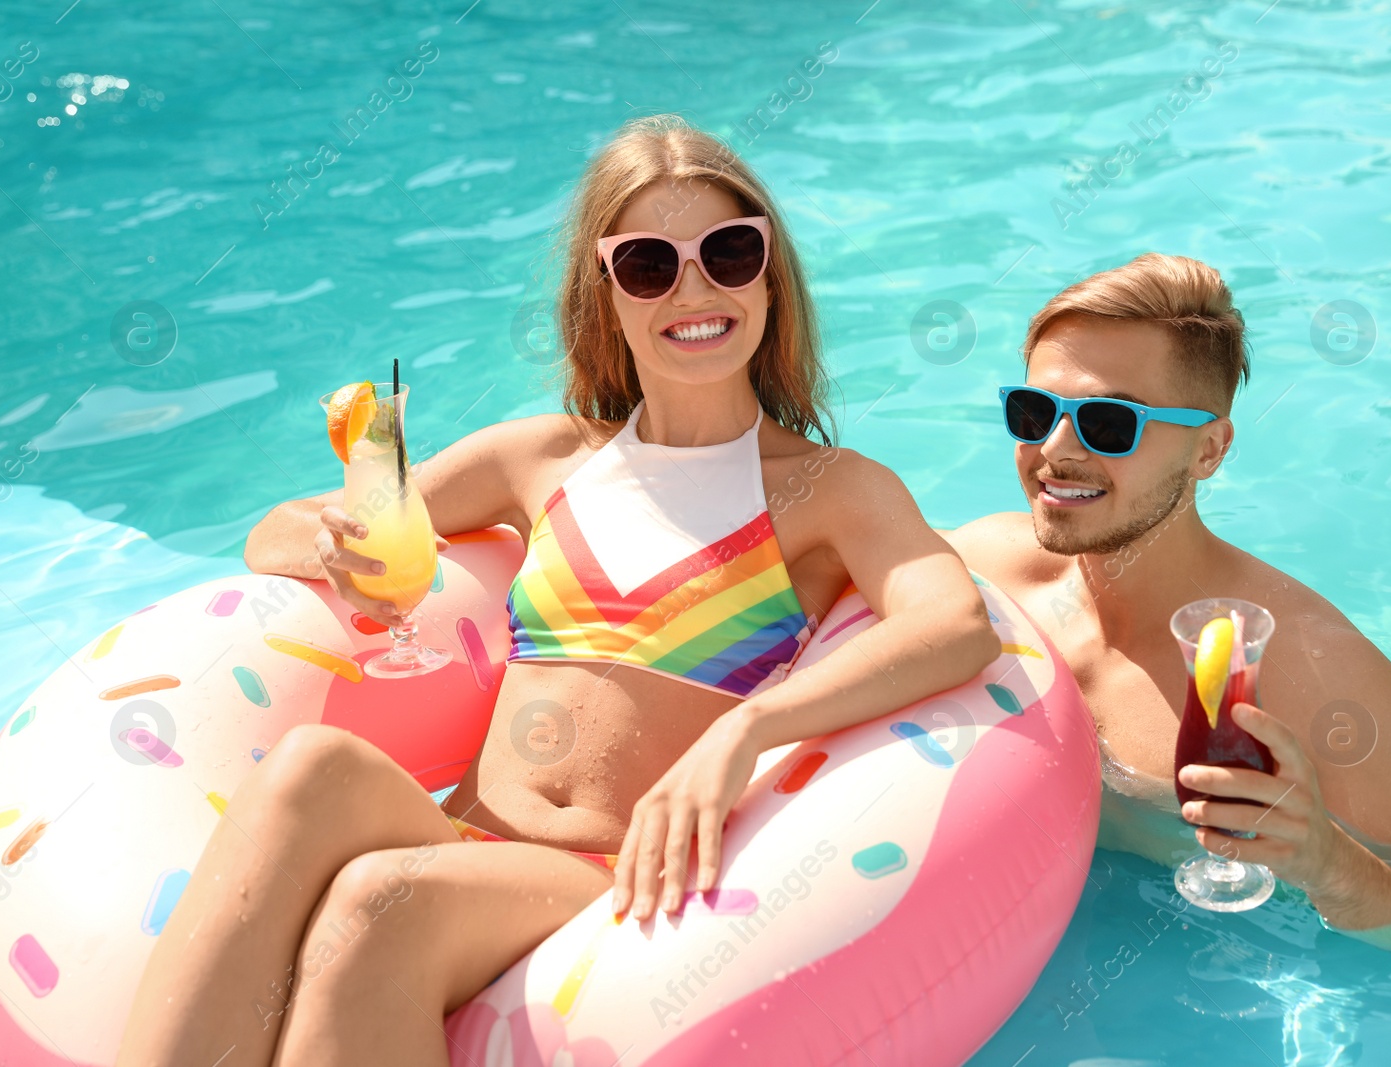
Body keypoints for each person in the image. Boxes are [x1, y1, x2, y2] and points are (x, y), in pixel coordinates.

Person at [114, 115, 999, 1067]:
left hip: (608, 877)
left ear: (770, 276)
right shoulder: (541, 459)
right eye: (651, 265)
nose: (694, 289)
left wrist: (747, 730)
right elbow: (275, 528)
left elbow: (954, 622)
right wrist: (335, 543)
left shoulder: (829, 490)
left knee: (378, 903)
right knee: (308, 767)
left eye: (730, 252)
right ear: (604, 292)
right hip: (464, 835)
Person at [946, 253, 1391, 946]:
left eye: (1110, 422)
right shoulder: (986, 572)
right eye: (1033, 412)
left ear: (1209, 450)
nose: (1055, 449)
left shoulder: (1318, 676)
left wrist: (1325, 858)